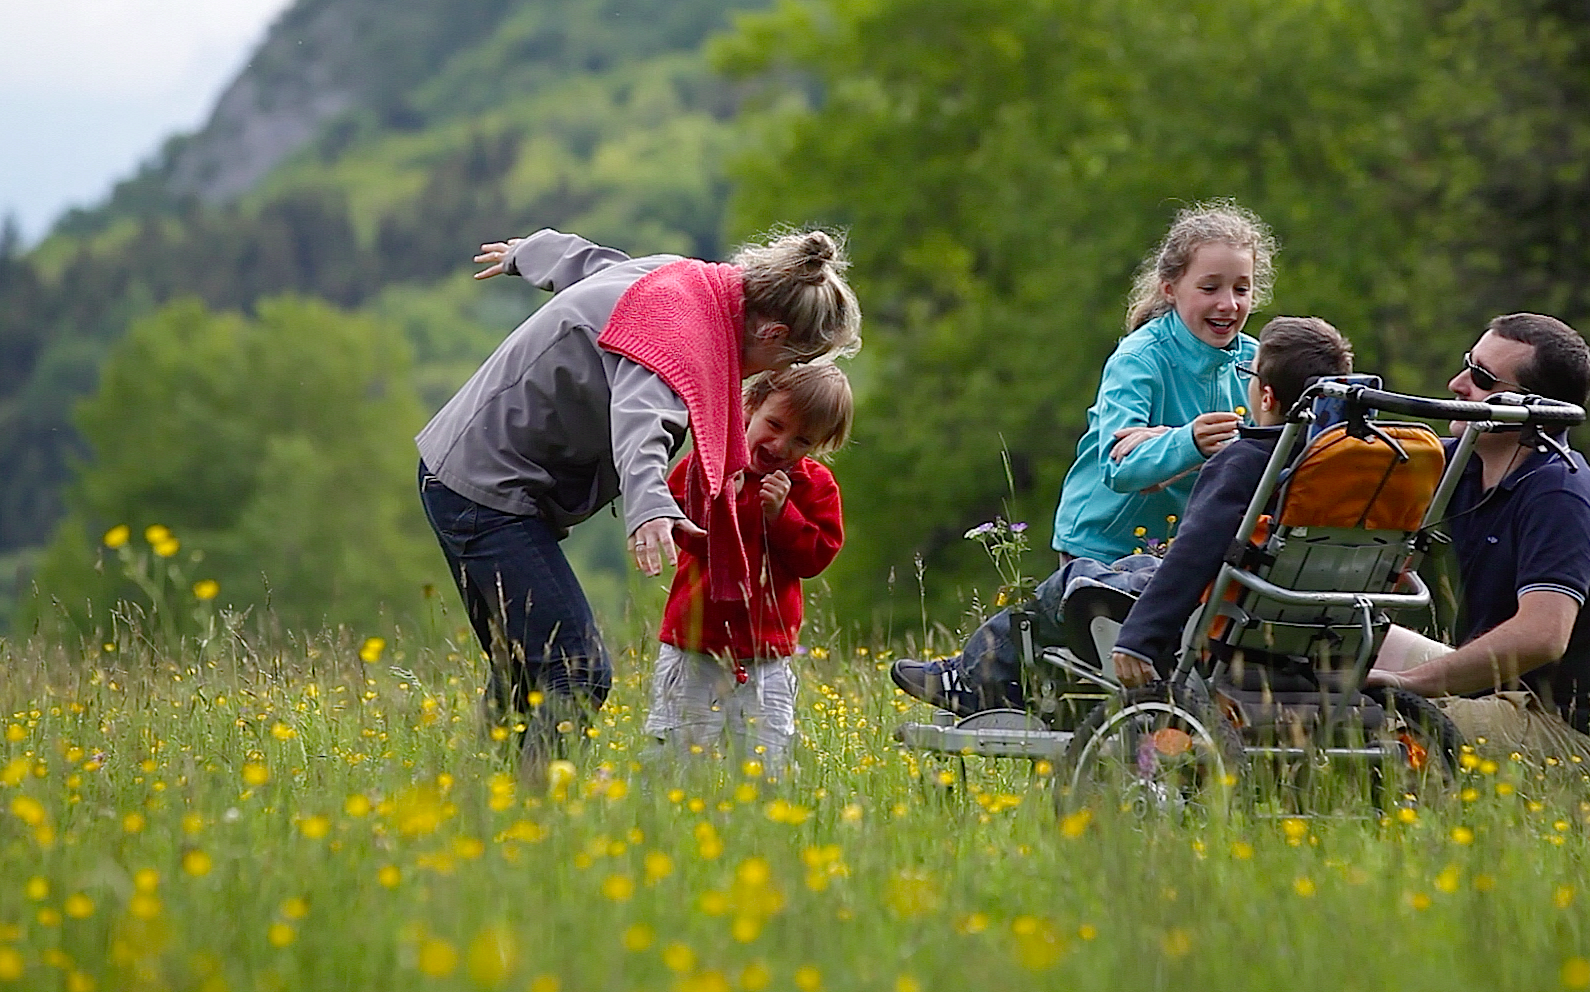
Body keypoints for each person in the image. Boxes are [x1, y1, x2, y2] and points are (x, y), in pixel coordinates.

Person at [416, 228, 860, 780]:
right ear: (771, 333)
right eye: (785, 366)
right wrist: (650, 504)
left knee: (527, 668)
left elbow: (601, 266)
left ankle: (485, 803)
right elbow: (643, 413)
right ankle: (534, 815)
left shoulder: (689, 282)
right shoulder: (683, 334)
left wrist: (528, 253)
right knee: (575, 670)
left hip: (471, 472)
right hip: (484, 488)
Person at [1114, 312, 1590, 767]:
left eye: (1481, 377)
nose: (1457, 384)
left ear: (1528, 406)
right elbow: (1303, 472)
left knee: (1361, 721)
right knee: (1320, 645)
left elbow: (1543, 636)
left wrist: (1416, 685)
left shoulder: (1560, 494)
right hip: (1500, 693)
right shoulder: (1468, 465)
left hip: (1566, 730)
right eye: (1466, 362)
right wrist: (1165, 450)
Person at [891, 317, 1353, 713]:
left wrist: (1140, 638)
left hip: (1208, 617)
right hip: (1294, 619)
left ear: (1267, 396)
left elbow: (1194, 553)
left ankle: (973, 677)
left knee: (1074, 583)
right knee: (1130, 567)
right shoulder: (1325, 467)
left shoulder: (1243, 460)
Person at [644, 363, 853, 772]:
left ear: (820, 446)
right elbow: (683, 533)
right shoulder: (707, 464)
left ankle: (764, 831)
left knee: (766, 761)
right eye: (774, 424)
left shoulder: (815, 486)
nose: (779, 444)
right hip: (694, 645)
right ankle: (662, 825)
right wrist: (723, 500)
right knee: (673, 759)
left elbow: (815, 558)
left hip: (766, 655)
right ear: (751, 406)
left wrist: (783, 516)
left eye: (802, 441)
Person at [1050, 201, 1277, 564]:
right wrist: (1189, 442)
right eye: (1209, 288)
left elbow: (1268, 452)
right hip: (1104, 550)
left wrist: (1170, 442)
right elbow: (1118, 466)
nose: (1228, 304)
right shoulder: (1139, 359)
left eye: (1241, 289)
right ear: (1170, 289)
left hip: (1188, 553)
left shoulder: (1257, 361)